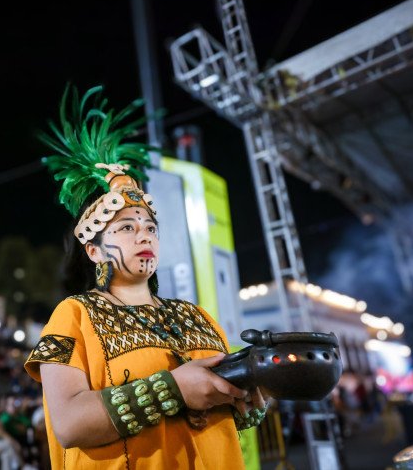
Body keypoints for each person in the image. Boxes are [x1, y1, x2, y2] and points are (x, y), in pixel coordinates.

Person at [23, 85, 269, 468]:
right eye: (125, 228)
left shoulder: (197, 316)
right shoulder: (74, 314)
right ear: (94, 250)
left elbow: (240, 420)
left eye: (150, 228)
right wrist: (174, 388)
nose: (143, 234)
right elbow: (68, 424)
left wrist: (253, 395)